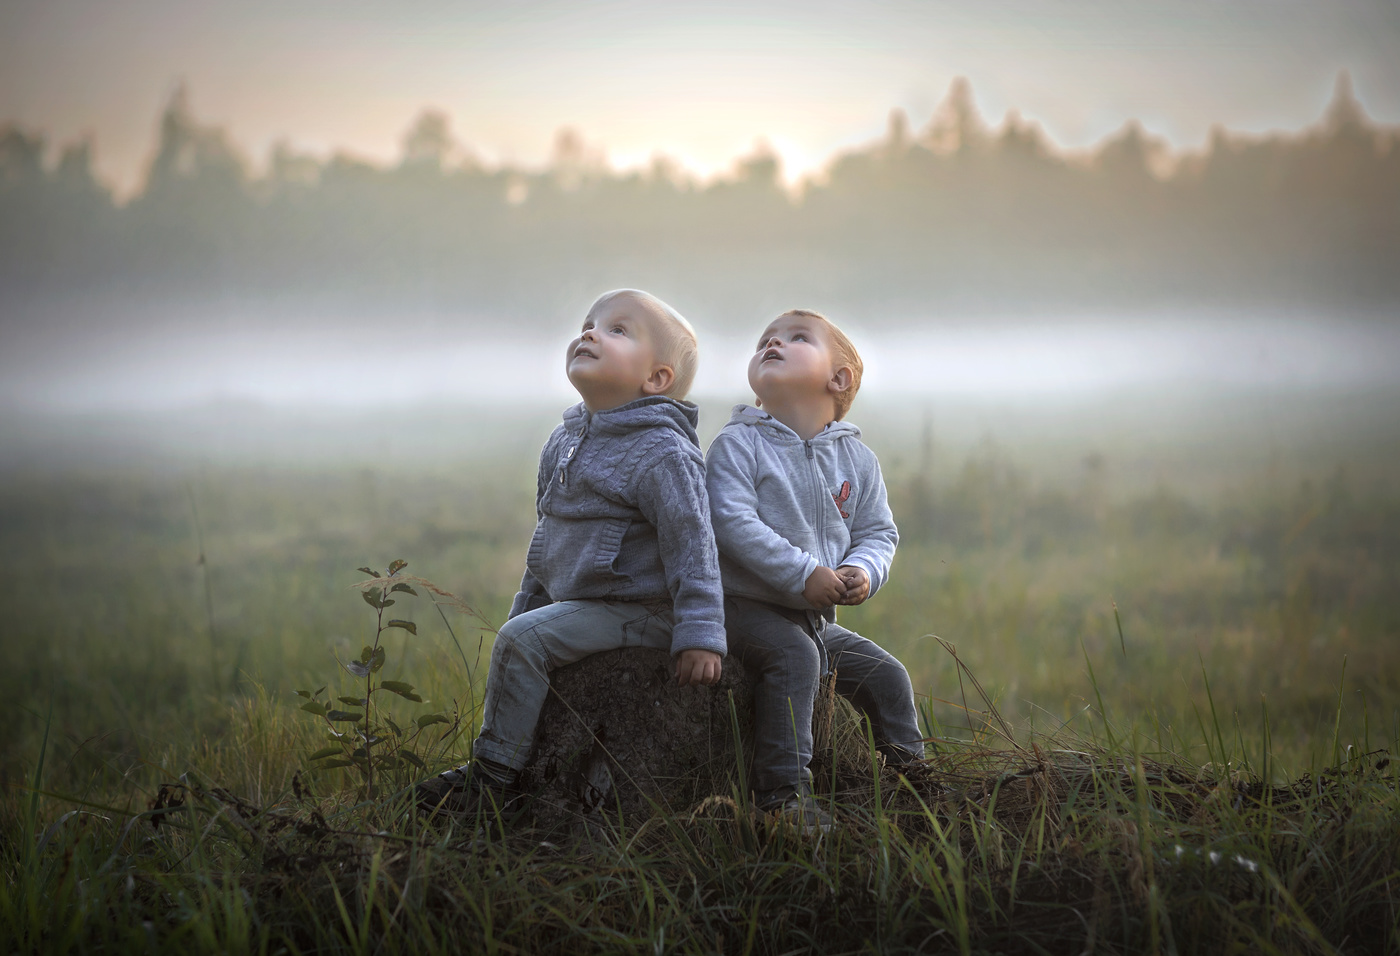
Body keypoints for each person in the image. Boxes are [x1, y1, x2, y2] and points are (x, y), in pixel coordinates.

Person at [417, 289, 726, 819]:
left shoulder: (664, 453)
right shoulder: (564, 442)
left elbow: (694, 546)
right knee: (521, 638)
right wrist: (527, 609)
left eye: (618, 330)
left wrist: (700, 633)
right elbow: (549, 541)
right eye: (589, 323)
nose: (589, 333)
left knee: (522, 642)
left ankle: (492, 782)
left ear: (656, 379)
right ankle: (511, 758)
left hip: (642, 609)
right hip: (588, 604)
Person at [705, 309, 924, 833]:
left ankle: (912, 783)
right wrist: (803, 574)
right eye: (765, 340)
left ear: (838, 378)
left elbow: (878, 533)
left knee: (887, 676)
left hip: (814, 617)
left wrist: (861, 570)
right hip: (740, 607)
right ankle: (782, 796)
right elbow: (730, 521)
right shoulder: (738, 444)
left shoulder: (857, 460)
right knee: (795, 656)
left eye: (796, 338)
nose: (772, 344)